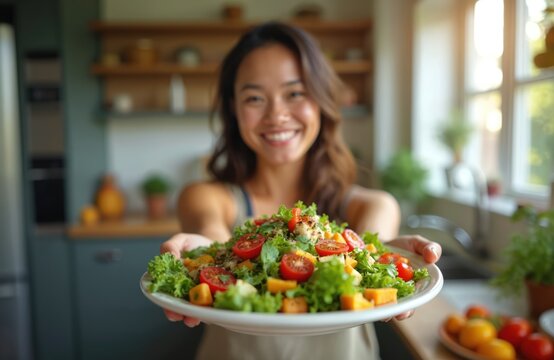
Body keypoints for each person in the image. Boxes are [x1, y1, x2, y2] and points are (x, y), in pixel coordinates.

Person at [160, 21, 442, 360]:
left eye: (295, 93)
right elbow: (212, 233)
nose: (277, 114)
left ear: (321, 100)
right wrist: (208, 258)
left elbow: (369, 249)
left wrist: (381, 259)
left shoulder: (370, 205)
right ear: (233, 110)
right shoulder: (205, 196)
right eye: (254, 98)